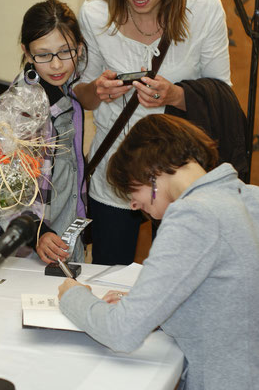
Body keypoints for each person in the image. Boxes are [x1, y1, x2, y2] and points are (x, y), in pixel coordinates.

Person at [58, 114, 259, 390]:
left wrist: (72, 295)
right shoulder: (247, 197)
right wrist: (153, 305)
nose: (132, 204)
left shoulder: (193, 214)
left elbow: (121, 331)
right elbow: (229, 298)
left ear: (150, 173)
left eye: (131, 189)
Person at [73, 0, 231, 265]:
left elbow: (222, 95)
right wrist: (97, 90)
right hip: (115, 176)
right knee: (107, 277)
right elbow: (82, 94)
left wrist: (175, 96)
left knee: (178, 280)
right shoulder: (96, 12)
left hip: (177, 178)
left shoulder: (204, 6)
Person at [18, 0, 88, 264]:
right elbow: (4, 189)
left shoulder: (70, 92)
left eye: (65, 52)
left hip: (68, 234)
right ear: (27, 53)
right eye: (44, 55)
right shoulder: (21, 106)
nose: (57, 65)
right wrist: (38, 234)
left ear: (79, 48)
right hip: (32, 244)